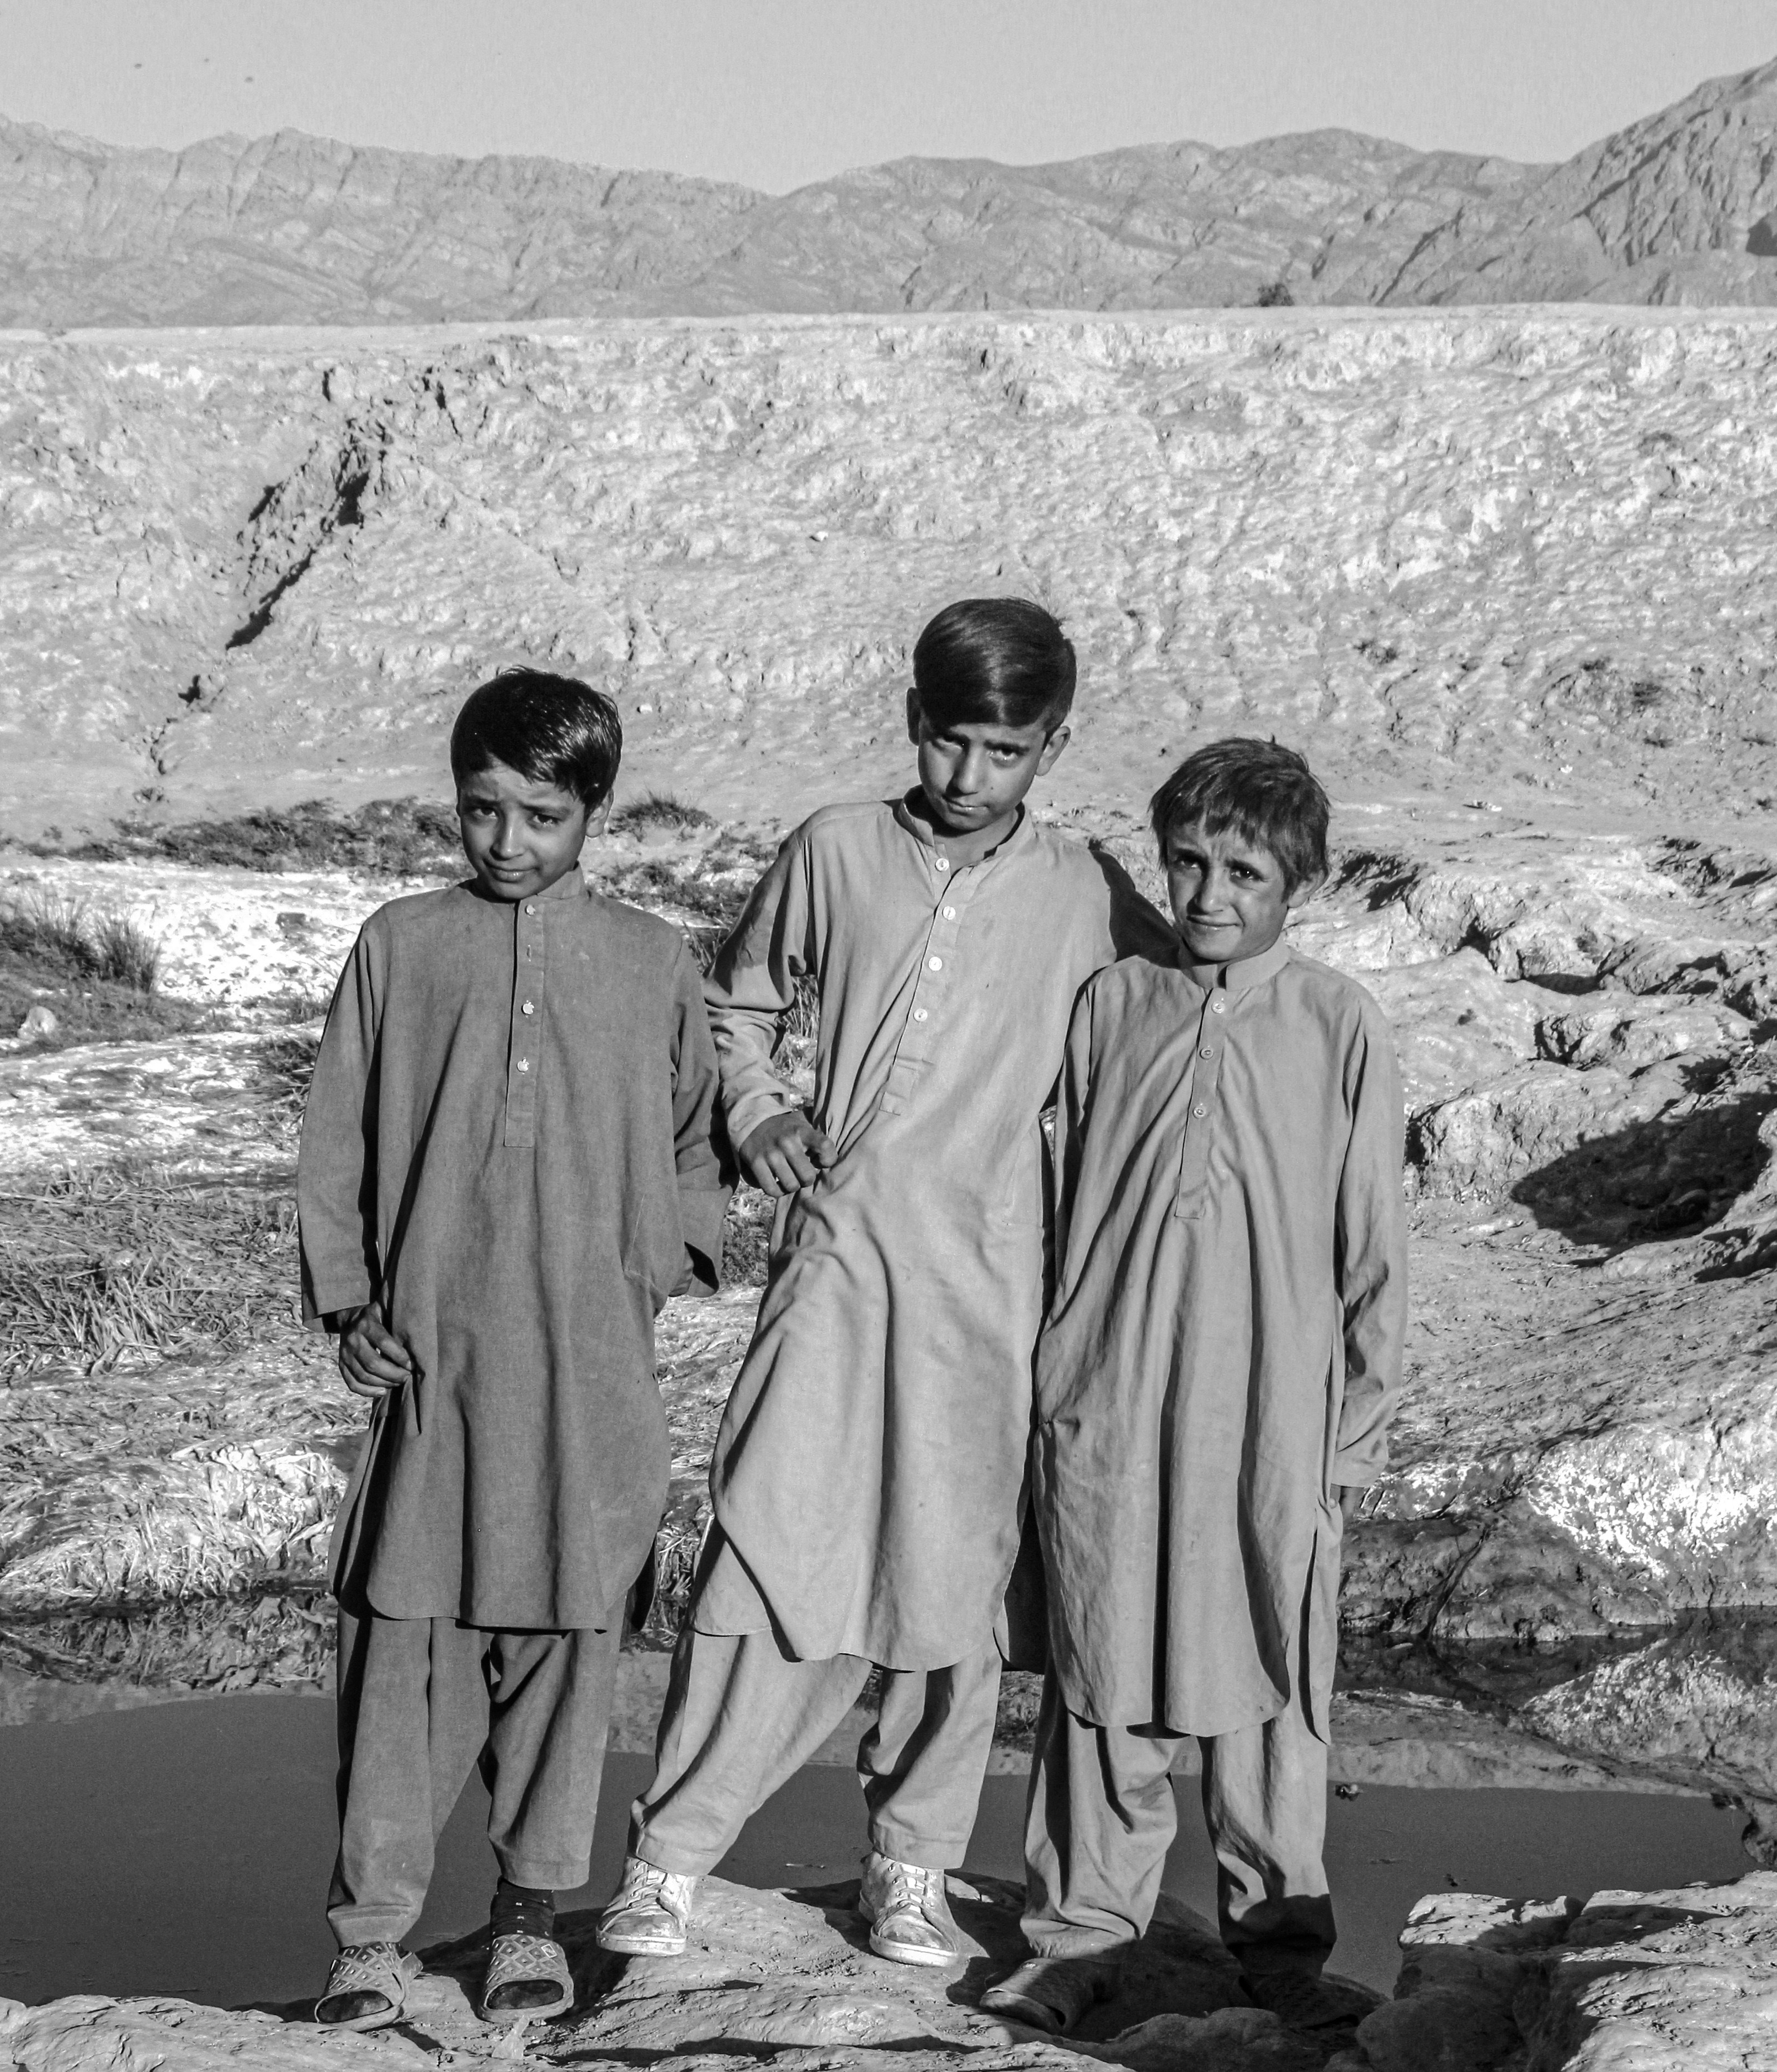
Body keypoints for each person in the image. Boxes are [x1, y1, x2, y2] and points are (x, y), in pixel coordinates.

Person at [597, 598, 1171, 1969]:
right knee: (766, 1543)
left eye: (1005, 752)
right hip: (836, 1264)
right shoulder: (836, 851)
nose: (970, 778)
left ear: (1053, 746)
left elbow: (1175, 1016)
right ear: (910, 721)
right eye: (948, 741)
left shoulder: (1089, 892)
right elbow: (734, 1006)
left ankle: (911, 1864)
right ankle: (669, 1860)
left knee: (953, 1573)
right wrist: (756, 1114)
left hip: (994, 1288)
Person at [296, 668, 727, 2031]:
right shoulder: (400, 945)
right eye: (483, 809)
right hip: (435, 1361)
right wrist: (348, 1301)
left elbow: (690, 1144)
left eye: (542, 815)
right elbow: (339, 1137)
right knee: (403, 1648)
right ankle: (371, 1939)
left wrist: (653, 1270)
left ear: (594, 808)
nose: (506, 843)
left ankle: (533, 1915)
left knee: (568, 1640)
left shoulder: (656, 962)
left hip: (589, 1374)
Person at [980, 738, 1406, 2039]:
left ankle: (1278, 1939)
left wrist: (1353, 1434)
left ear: (1298, 883)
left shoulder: (1337, 1022)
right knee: (1105, 1655)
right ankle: (1083, 1935)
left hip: (1272, 1411)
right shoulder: (1115, 1005)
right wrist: (1048, 1376)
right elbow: (1052, 1205)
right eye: (1189, 863)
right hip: (1111, 1385)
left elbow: (1374, 1244)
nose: (1210, 895)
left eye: (1245, 871)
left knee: (1273, 1670)